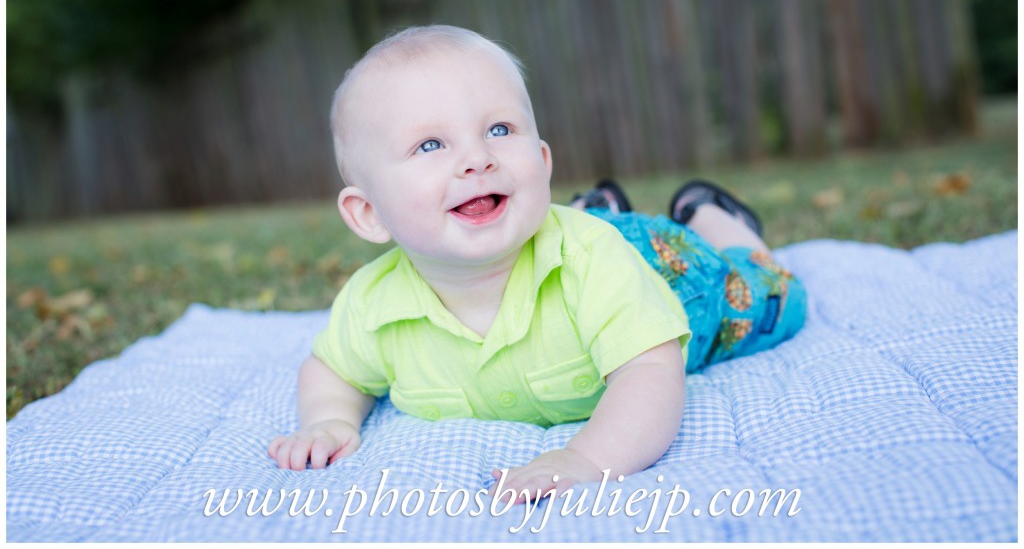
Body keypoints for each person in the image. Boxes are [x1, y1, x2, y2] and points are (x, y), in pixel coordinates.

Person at [267, 25, 806, 502]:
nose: (478, 158)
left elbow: (650, 374)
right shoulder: (372, 304)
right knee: (584, 225)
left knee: (770, 292)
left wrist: (587, 459)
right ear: (368, 213)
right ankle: (597, 207)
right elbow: (333, 370)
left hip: (667, 270)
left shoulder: (593, 261)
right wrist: (329, 420)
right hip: (571, 231)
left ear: (542, 163)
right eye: (430, 144)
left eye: (499, 130)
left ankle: (711, 215)